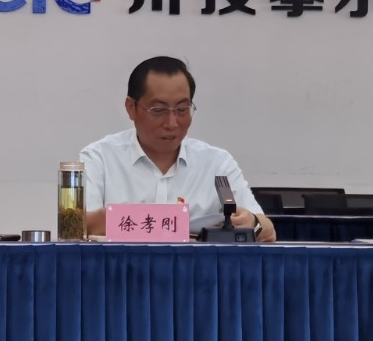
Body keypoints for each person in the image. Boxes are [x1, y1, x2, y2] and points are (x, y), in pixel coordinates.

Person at [79, 55, 275, 242]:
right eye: (158, 110)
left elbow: (267, 231)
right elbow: (80, 226)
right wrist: (166, 223)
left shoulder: (217, 163)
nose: (172, 123)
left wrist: (253, 223)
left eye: (182, 110)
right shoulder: (99, 158)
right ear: (131, 108)